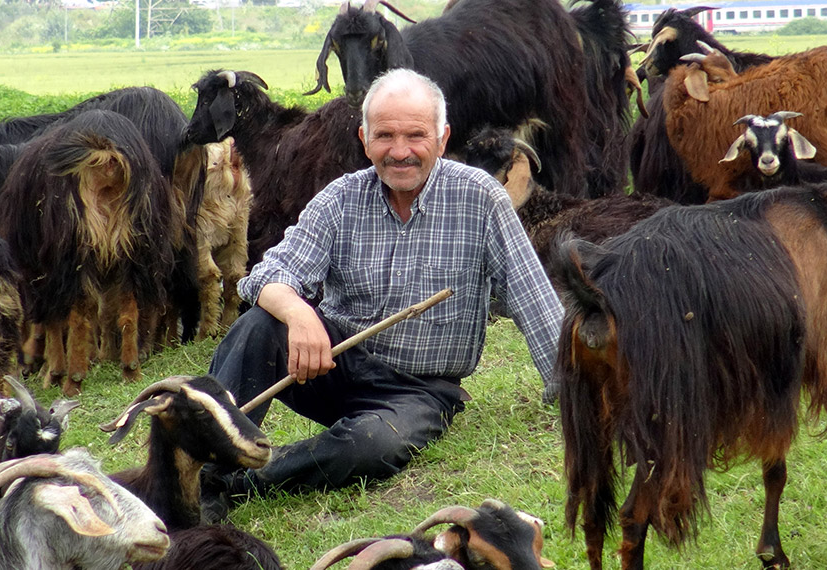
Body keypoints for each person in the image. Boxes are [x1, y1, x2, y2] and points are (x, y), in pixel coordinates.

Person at [202, 68, 563, 518]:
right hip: (329, 365)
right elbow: (265, 275)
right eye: (385, 135)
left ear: (442, 137)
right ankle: (203, 468)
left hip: (418, 392)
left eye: (416, 135)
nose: (400, 151)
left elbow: (533, 296)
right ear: (364, 137)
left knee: (371, 446)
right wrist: (298, 313)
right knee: (258, 325)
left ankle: (245, 481)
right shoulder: (340, 198)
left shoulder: (481, 198)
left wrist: (570, 388)